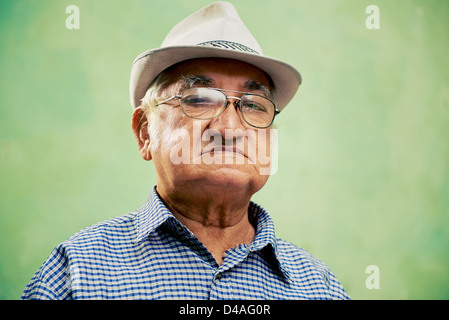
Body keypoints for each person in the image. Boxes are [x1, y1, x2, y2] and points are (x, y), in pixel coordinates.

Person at [22, 1, 350, 300]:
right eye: (199, 99)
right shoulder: (75, 273)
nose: (231, 129)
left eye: (253, 105)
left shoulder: (319, 286)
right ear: (145, 132)